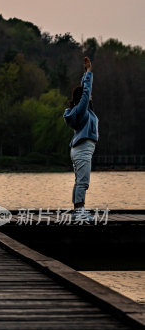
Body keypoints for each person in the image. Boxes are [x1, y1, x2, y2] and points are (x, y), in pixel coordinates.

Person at [63, 56, 99, 219]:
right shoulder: (81, 110)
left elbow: (84, 92)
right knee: (83, 181)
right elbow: (85, 92)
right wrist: (89, 73)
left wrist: (85, 73)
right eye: (88, 96)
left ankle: (78, 210)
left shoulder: (84, 112)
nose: (91, 97)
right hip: (82, 149)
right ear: (82, 100)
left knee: (80, 181)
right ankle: (79, 211)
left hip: (82, 149)